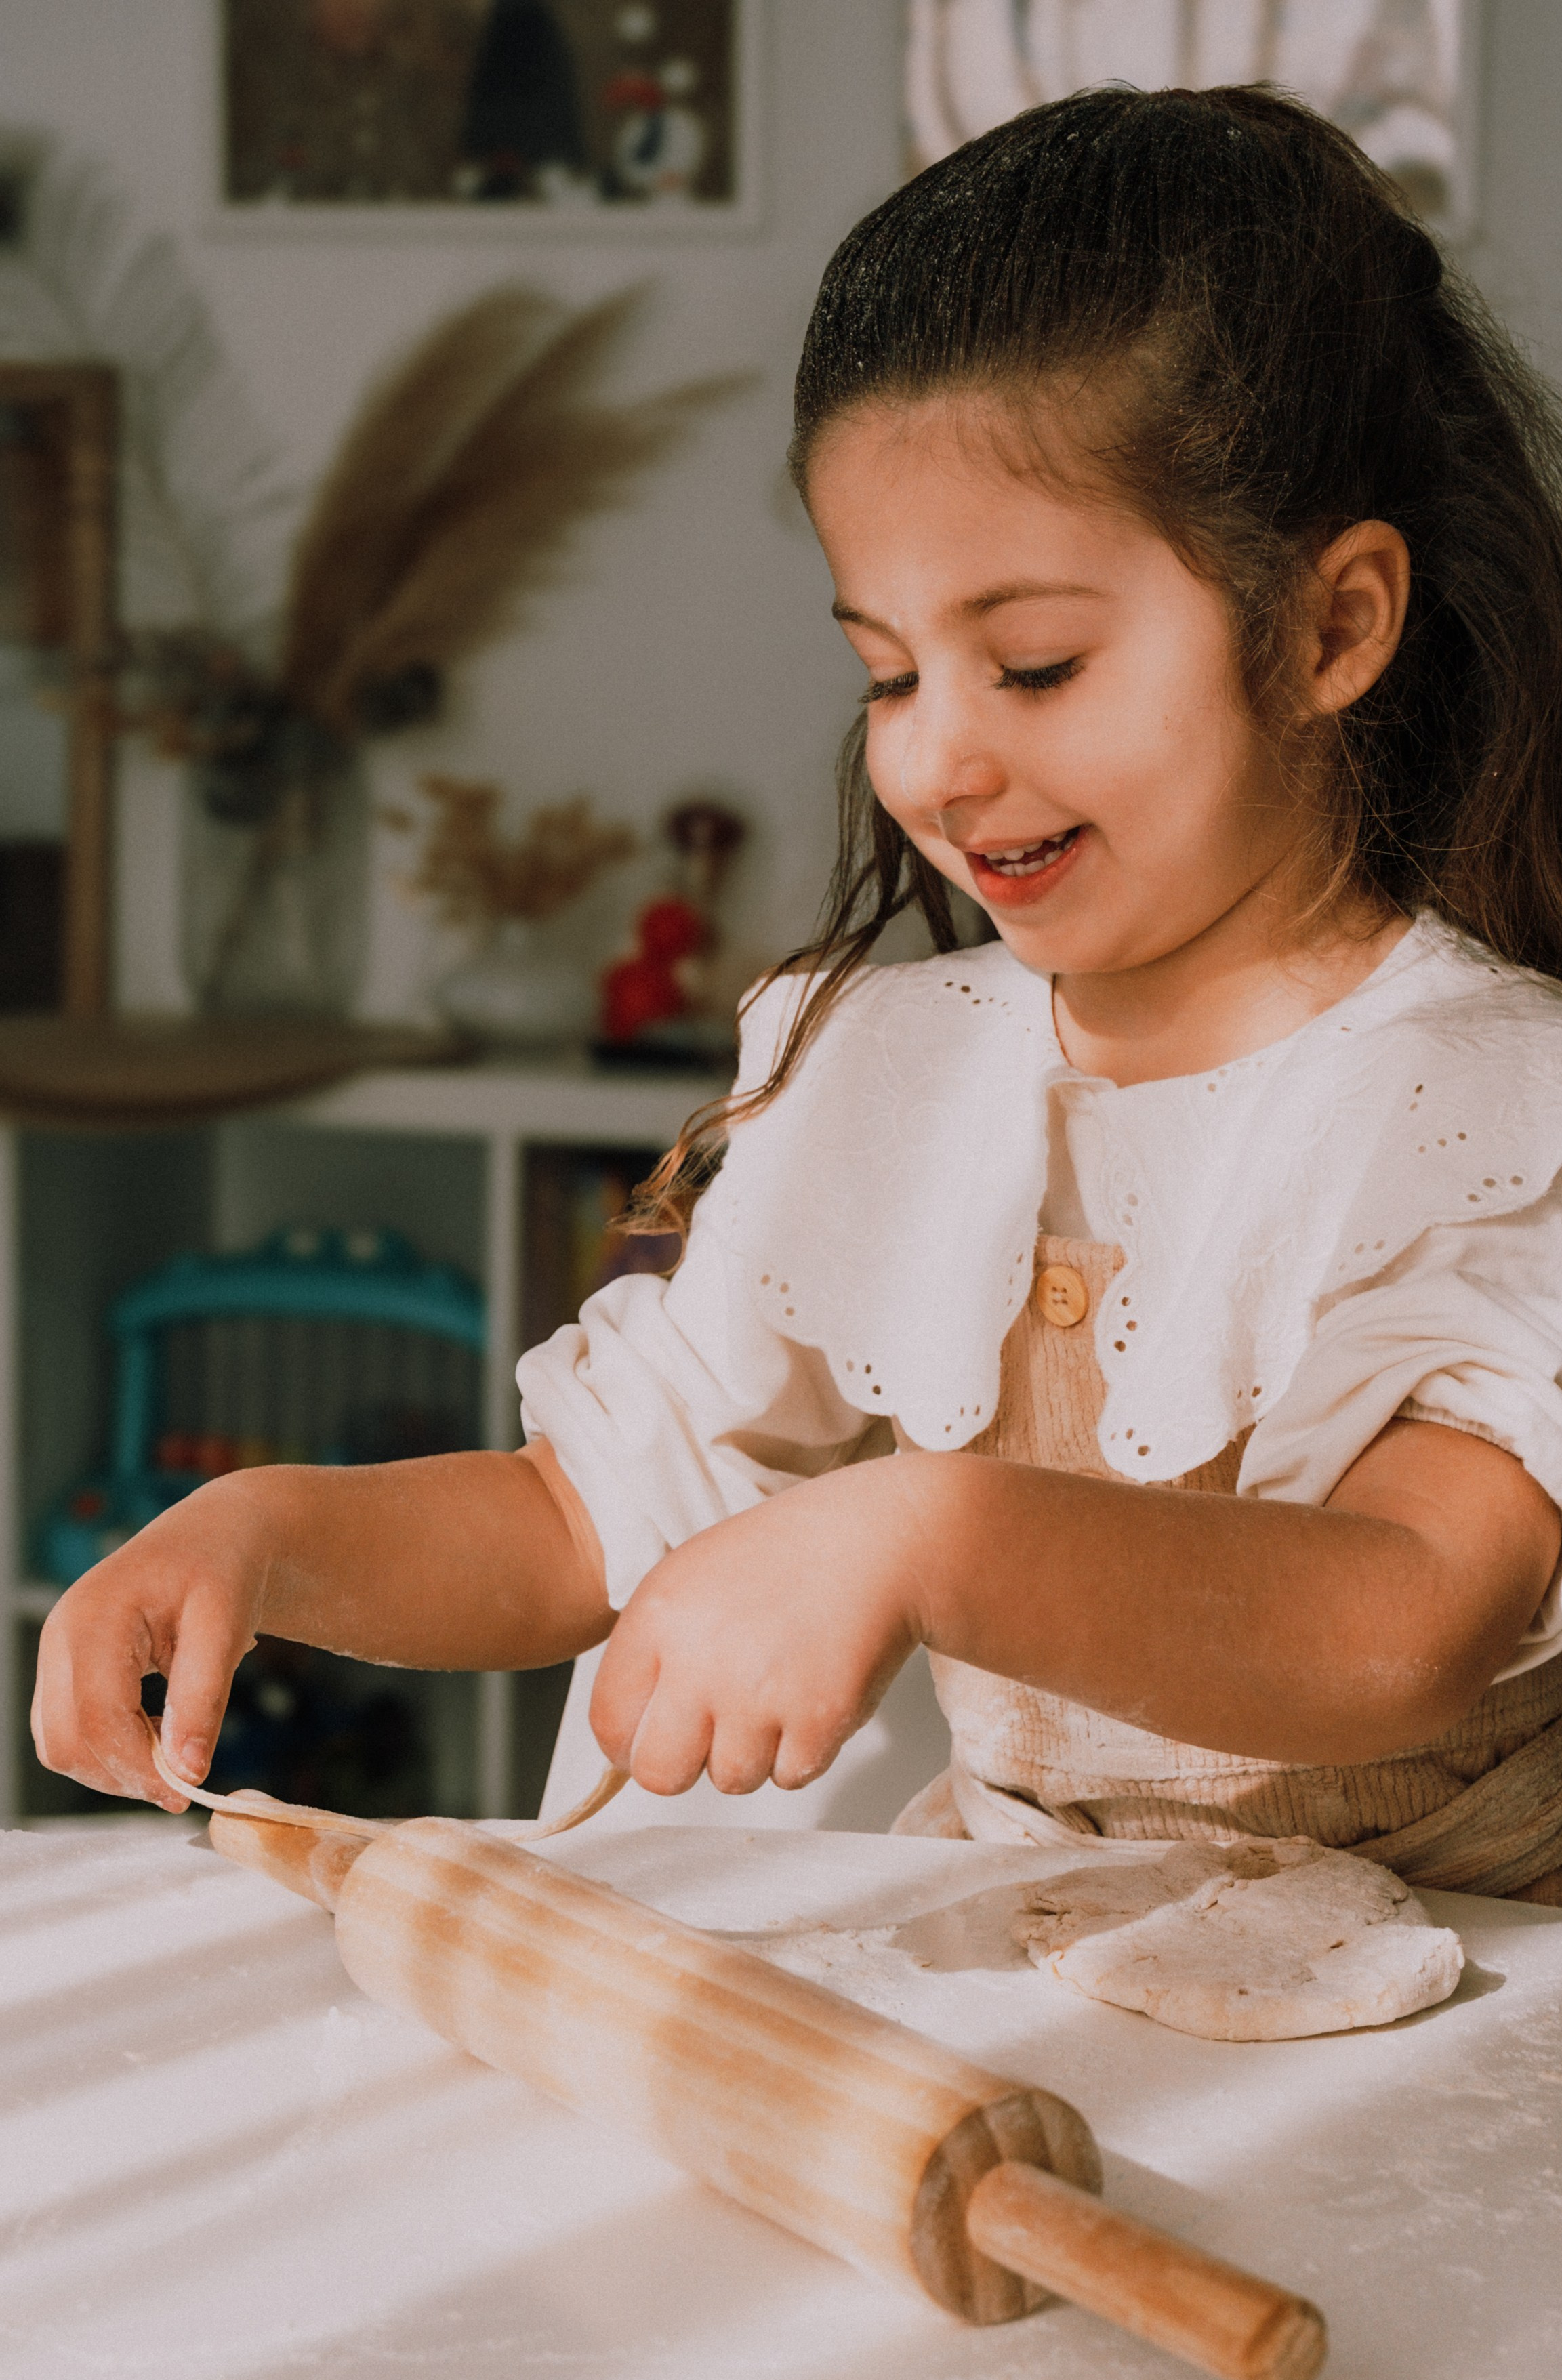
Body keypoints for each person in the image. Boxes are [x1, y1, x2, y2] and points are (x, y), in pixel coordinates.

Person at [35, 88, 1562, 1904]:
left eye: (1035, 662)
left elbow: (1400, 1622)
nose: (939, 760)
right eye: (890, 670)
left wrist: (930, 1530)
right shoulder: (896, 1077)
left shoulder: (1486, 1106)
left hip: (1459, 2025)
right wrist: (269, 1530)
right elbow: (579, 1523)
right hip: (1051, 1977)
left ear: (1329, 628)